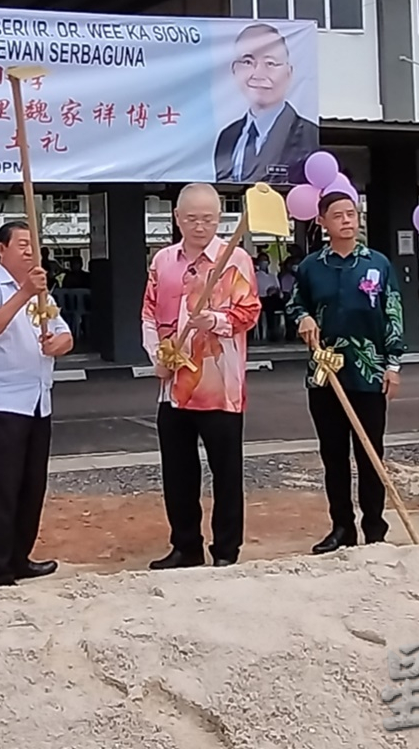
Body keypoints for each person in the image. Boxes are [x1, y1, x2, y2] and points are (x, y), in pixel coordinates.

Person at [141, 183, 261, 570]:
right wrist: (156, 356)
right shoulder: (162, 261)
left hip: (220, 386)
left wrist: (218, 320)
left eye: (208, 218)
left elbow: (250, 312)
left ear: (219, 218)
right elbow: (148, 313)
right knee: (177, 473)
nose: (200, 225)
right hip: (173, 387)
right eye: (191, 218)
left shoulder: (235, 258)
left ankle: (226, 550)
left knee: (226, 473)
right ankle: (185, 545)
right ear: (177, 218)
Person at [288, 192, 404, 554]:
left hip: (368, 372)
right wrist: (303, 317)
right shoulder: (311, 267)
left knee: (371, 452)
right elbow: (296, 303)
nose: (346, 221)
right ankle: (342, 526)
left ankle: (375, 526)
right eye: (337, 215)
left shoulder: (377, 264)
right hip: (325, 373)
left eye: (351, 214)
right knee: (333, 454)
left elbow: (393, 314)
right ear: (322, 222)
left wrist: (393, 365)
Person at [0, 222, 74, 587]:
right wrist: (23, 293)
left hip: (38, 401)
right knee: (0, 490)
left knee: (31, 487)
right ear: (1, 250)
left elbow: (64, 334)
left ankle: (18, 558)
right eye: (22, 244)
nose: (30, 251)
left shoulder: (41, 290)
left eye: (34, 245)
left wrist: (59, 344)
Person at [213, 23, 317, 185]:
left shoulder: (306, 134)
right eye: (247, 62)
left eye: (270, 63)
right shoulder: (227, 137)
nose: (258, 74)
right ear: (234, 70)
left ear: (289, 73)